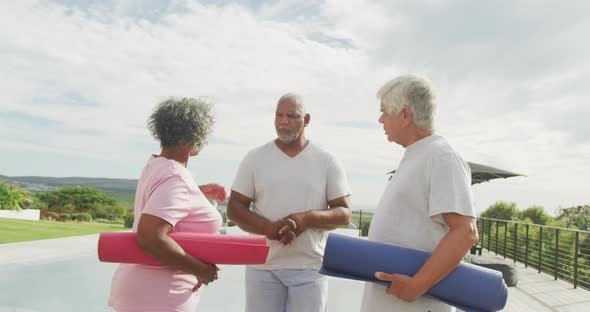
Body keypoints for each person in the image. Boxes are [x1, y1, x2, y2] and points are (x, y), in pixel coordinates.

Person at [360, 75, 479, 312]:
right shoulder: (418, 155)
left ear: (405, 115)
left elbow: (465, 232)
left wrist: (418, 284)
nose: (380, 119)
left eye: (385, 111)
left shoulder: (441, 156)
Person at [227, 93, 352, 312]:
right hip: (262, 267)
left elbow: (344, 213)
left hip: (309, 268)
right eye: (279, 115)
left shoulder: (327, 160)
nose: (283, 122)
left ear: (307, 120)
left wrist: (306, 219)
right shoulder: (255, 157)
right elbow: (235, 207)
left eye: (292, 116)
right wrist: (267, 228)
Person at [108, 97, 226, 312]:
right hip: (160, 295)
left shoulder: (157, 166)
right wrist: (201, 270)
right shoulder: (176, 178)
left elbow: (161, 203)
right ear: (189, 140)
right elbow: (150, 237)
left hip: (145, 291)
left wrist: (196, 193)